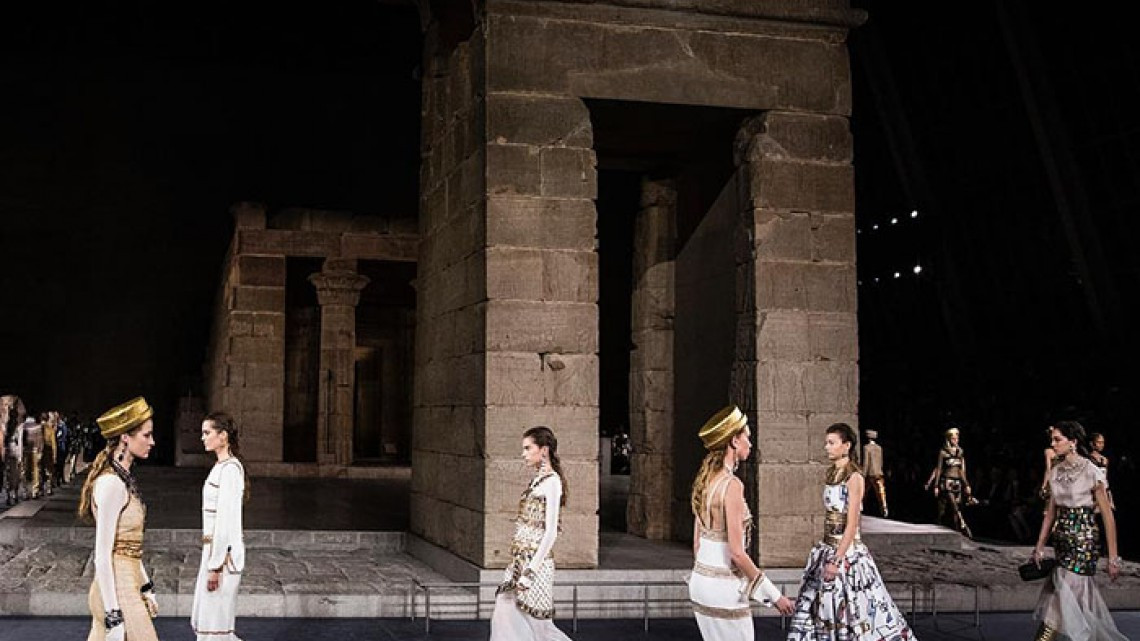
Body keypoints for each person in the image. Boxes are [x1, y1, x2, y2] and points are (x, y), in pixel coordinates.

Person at [786, 423, 915, 640]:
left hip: (846, 553)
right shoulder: (831, 473)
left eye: (831, 443)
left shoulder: (854, 477)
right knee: (820, 608)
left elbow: (852, 524)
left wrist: (836, 560)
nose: (826, 447)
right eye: (826, 443)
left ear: (846, 446)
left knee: (853, 611)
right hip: (827, 547)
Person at [688, 406, 794, 640]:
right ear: (734, 441)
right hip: (723, 588)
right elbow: (736, 553)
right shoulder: (732, 485)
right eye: (747, 437)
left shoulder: (704, 481)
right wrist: (775, 596)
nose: (751, 443)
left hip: (701, 582)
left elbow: (697, 544)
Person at [1031, 421, 1125, 641]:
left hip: (1084, 542)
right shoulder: (1056, 471)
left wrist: (1113, 558)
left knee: (1059, 600)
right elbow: (1051, 514)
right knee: (1063, 600)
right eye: (1052, 440)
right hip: (1062, 542)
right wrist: (1039, 547)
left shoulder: (1091, 471)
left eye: (1057, 439)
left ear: (1072, 442)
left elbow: (1108, 517)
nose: (1053, 444)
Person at [78, 397, 159, 641]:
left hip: (128, 584)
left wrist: (146, 586)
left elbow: (130, 548)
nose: (152, 442)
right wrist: (113, 614)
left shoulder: (123, 480)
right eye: (146, 435)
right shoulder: (111, 484)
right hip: (116, 589)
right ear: (125, 437)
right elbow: (103, 554)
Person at [490, 426, 572, 641]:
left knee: (542, 629)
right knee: (504, 611)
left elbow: (551, 531)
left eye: (528, 448)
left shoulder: (552, 482)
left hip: (536, 564)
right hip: (518, 561)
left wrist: (531, 572)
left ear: (543, 450)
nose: (523, 454)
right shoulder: (537, 480)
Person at [191, 411, 248, 641]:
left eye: (207, 433)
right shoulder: (221, 467)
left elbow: (226, 521)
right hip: (212, 552)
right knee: (207, 623)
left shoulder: (231, 470)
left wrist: (215, 566)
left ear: (223, 436)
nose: (203, 438)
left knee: (216, 629)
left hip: (223, 558)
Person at [924, 427, 974, 537]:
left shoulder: (960, 452)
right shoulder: (943, 452)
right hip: (947, 481)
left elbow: (961, 470)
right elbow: (939, 468)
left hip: (958, 482)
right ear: (948, 439)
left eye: (957, 438)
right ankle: (962, 523)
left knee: (956, 506)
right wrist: (935, 485)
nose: (956, 441)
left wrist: (966, 484)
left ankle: (956, 530)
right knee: (953, 504)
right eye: (953, 439)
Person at [862, 429, 889, 518]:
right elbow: (881, 461)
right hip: (878, 472)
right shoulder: (879, 448)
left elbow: (866, 461)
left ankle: (860, 506)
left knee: (864, 491)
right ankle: (884, 507)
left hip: (870, 473)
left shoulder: (866, 448)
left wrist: (864, 473)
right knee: (881, 491)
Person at [3, 406, 23, 506]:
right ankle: (14, 495)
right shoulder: (18, 428)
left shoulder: (6, 427)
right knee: (16, 475)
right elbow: (20, 442)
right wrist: (20, 456)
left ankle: (8, 495)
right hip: (15, 452)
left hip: (8, 452)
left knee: (8, 475)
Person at [21, 415, 43, 499]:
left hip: (26, 451)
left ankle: (25, 491)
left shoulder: (23, 426)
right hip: (34, 451)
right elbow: (40, 440)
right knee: (35, 471)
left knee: (25, 471)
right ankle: (34, 491)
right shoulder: (38, 427)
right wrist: (40, 451)